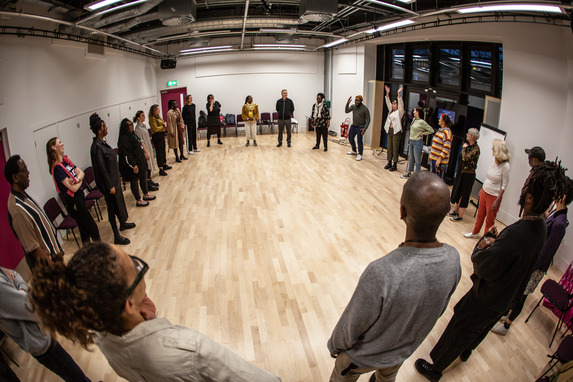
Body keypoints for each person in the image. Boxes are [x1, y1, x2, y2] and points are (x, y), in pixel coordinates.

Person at [29, 242, 282, 382]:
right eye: (136, 267)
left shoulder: (100, 329)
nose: (140, 268)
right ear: (129, 305)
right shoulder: (190, 349)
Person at [415, 161, 568, 382]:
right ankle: (466, 351)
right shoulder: (541, 226)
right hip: (505, 297)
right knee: (481, 328)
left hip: (488, 296)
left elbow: (483, 264)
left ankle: (435, 369)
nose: (522, 187)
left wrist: (486, 242)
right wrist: (498, 241)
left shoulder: (520, 233)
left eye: (526, 185)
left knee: (461, 326)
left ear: (530, 198)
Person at [328, 171, 461, 382]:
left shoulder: (382, 272)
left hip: (360, 359)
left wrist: (335, 346)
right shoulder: (454, 259)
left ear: (401, 211)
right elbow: (437, 310)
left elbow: (351, 325)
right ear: (446, 212)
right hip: (400, 353)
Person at [491, 176, 573, 335]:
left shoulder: (560, 223)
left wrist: (529, 267)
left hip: (536, 267)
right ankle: (506, 314)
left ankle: (507, 325)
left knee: (522, 295)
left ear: (562, 196)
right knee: (517, 293)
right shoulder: (556, 212)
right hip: (532, 262)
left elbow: (547, 251)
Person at [0, 267, 91, 382]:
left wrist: (21, 291)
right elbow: (29, 308)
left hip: (41, 335)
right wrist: (23, 292)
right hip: (39, 343)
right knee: (76, 377)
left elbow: (15, 274)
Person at [5, 155, 63, 271]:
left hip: (55, 259)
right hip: (47, 269)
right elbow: (33, 248)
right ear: (15, 177)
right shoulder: (17, 209)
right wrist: (55, 270)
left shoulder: (23, 196)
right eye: (24, 169)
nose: (28, 172)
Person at [89, 113, 135, 245]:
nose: (106, 128)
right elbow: (102, 169)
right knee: (112, 209)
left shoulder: (102, 143)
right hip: (109, 185)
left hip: (114, 181)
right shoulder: (97, 147)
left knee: (118, 204)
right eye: (104, 126)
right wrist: (110, 186)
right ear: (99, 130)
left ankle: (122, 223)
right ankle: (116, 235)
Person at [46, 137, 101, 245]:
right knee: (92, 227)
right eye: (60, 142)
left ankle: (88, 255)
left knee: (84, 230)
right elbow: (73, 188)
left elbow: (81, 173)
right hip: (74, 202)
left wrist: (77, 179)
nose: (62, 144)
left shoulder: (66, 162)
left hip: (79, 198)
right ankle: (102, 252)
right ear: (53, 147)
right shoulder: (57, 168)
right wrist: (78, 180)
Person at [464, 139, 510, 238]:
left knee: (490, 220)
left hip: (494, 195)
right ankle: (475, 232)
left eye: (494, 147)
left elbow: (504, 185)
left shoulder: (505, 166)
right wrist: (482, 189)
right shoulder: (494, 160)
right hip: (485, 190)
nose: (492, 148)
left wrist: (497, 200)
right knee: (480, 215)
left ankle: (486, 238)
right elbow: (488, 177)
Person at [117, 118, 156, 207]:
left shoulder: (133, 135)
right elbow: (126, 155)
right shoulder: (124, 140)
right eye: (131, 125)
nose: (133, 126)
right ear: (126, 127)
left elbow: (139, 145)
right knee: (134, 182)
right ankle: (138, 199)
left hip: (140, 162)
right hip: (133, 166)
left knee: (143, 177)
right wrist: (133, 165)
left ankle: (146, 194)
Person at [448, 128, 481, 221]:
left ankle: (460, 215)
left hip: (468, 175)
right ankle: (456, 210)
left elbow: (465, 158)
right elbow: (461, 160)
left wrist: (464, 148)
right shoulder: (468, 146)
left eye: (468, 134)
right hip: (461, 172)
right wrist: (458, 171)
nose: (467, 135)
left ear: (472, 137)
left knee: (464, 194)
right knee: (458, 191)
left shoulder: (475, 149)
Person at [400, 106, 434, 178]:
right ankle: (409, 173)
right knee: (411, 158)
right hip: (411, 141)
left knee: (417, 160)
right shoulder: (414, 119)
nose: (413, 112)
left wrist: (424, 133)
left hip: (417, 143)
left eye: (415, 110)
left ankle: (417, 176)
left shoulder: (422, 122)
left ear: (418, 112)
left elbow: (431, 130)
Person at [133, 110, 159, 191]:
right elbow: (141, 141)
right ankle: (148, 184)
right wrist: (146, 152)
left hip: (148, 146)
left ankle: (150, 181)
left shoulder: (143, 126)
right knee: (147, 167)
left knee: (150, 165)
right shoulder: (137, 129)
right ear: (138, 118)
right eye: (142, 116)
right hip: (145, 149)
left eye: (144, 115)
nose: (144, 117)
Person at [383, 85, 405, 172]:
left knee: (395, 147)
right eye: (393, 103)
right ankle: (389, 162)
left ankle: (395, 164)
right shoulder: (391, 110)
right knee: (389, 147)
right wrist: (387, 93)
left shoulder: (400, 112)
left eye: (394, 104)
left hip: (396, 131)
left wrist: (399, 94)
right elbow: (387, 101)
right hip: (390, 130)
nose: (393, 105)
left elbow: (401, 103)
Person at [345, 95, 371, 162]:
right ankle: (354, 150)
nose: (356, 101)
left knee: (359, 140)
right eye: (355, 100)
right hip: (354, 125)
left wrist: (365, 128)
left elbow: (368, 120)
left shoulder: (365, 109)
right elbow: (346, 111)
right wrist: (347, 103)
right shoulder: (353, 106)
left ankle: (360, 153)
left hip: (361, 126)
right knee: (350, 137)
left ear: (361, 101)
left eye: (357, 100)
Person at [428, 114, 453, 179]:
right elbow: (434, 143)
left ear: (443, 121)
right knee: (432, 178)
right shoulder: (440, 130)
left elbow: (446, 148)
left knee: (437, 179)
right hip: (434, 158)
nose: (438, 120)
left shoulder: (447, 133)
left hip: (439, 161)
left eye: (440, 119)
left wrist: (439, 159)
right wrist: (431, 155)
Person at [149, 104, 171, 176]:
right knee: (159, 152)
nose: (159, 110)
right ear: (154, 110)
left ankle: (164, 164)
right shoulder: (152, 118)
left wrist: (163, 125)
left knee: (163, 151)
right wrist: (163, 126)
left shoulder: (158, 116)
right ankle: (160, 168)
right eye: (157, 109)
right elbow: (155, 129)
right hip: (157, 137)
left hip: (161, 135)